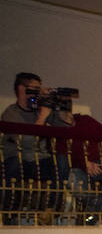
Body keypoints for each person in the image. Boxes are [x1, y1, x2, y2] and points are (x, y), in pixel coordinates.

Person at [2, 72, 74, 223]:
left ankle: (50, 210)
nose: (37, 92)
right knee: (13, 166)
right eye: (34, 89)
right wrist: (42, 118)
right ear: (22, 89)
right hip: (20, 159)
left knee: (61, 163)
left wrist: (62, 106)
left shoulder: (41, 109)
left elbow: (66, 128)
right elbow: (25, 142)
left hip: (41, 160)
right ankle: (9, 214)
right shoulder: (11, 113)